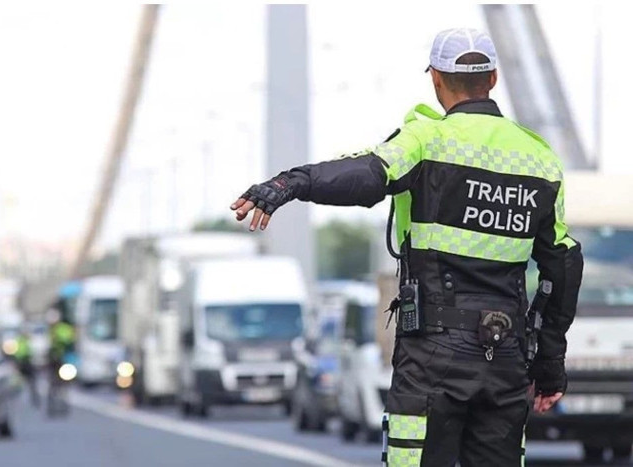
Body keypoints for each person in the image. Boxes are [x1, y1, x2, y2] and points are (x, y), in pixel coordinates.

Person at [230, 28, 583, 466]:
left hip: (433, 359)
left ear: (436, 78)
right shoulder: (540, 160)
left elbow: (364, 176)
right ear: (493, 78)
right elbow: (563, 266)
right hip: (505, 358)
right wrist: (550, 364)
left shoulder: (426, 140)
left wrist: (290, 183)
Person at [14, 328, 39, 408]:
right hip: (21, 363)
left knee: (32, 380)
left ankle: (34, 396)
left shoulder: (28, 341)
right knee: (20, 380)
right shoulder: (19, 341)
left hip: (28, 362)